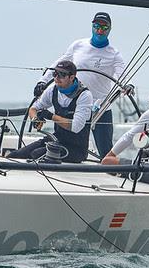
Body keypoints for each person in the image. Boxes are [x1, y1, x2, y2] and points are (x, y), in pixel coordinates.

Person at [34, 12, 126, 159]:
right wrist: (43, 81)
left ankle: (111, 174)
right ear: (92, 26)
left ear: (110, 29)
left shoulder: (114, 54)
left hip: (100, 108)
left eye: (104, 27)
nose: (100, 30)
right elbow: (58, 64)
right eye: (96, 26)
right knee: (68, 142)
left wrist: (125, 86)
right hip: (76, 105)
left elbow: (121, 76)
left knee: (106, 151)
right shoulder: (78, 45)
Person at [9, 60, 93, 163]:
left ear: (71, 77)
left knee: (36, 154)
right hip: (56, 141)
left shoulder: (84, 95)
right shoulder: (52, 90)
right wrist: (35, 119)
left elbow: (75, 127)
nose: (56, 78)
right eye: (55, 74)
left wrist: (51, 116)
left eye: (62, 75)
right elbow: (33, 108)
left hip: (76, 150)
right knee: (15, 155)